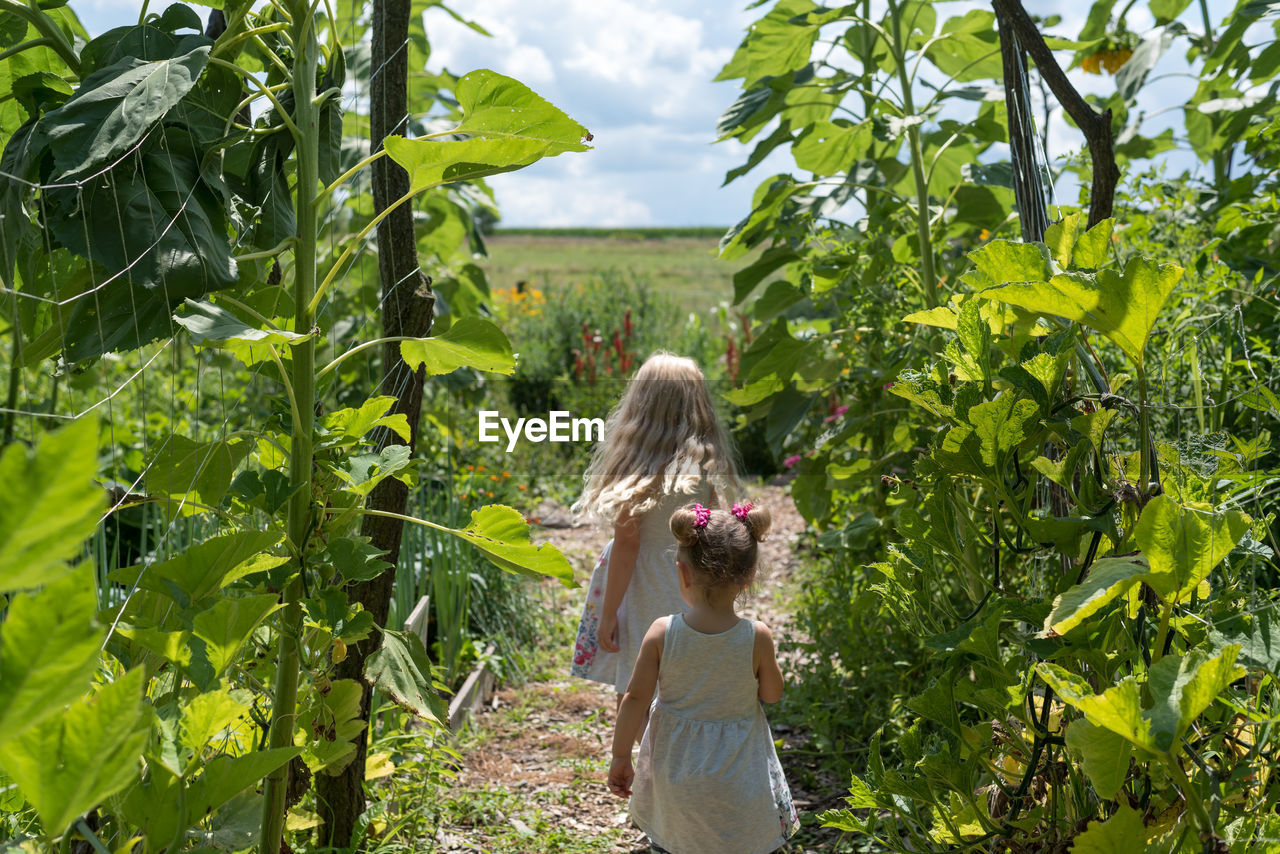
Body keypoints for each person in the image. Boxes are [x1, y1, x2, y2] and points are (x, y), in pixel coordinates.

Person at [607, 502, 799, 854]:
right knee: (741, 837)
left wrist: (621, 755)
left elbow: (634, 698)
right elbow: (772, 694)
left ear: (683, 573)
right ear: (749, 576)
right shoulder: (757, 636)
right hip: (740, 769)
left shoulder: (662, 632)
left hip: (675, 768)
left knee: (673, 840)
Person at [569, 352, 742, 703]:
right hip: (689, 581)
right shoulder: (705, 464)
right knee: (680, 681)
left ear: (641, 406)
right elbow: (715, 530)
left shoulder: (636, 470)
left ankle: (630, 756)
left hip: (642, 588)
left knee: (636, 682)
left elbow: (628, 546)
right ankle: (676, 751)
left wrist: (608, 615)